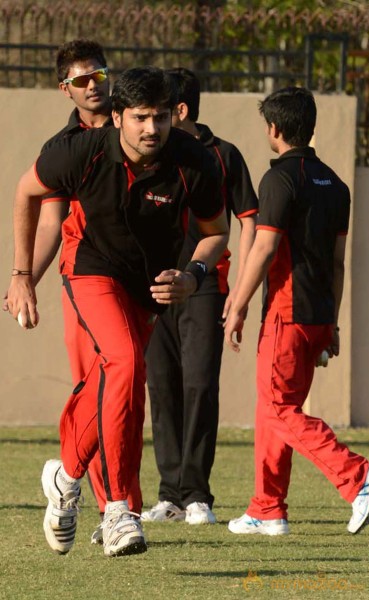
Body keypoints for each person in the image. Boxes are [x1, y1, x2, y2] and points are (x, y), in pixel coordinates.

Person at [7, 66, 229, 558]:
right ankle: (119, 511)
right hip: (90, 268)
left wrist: (192, 274)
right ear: (117, 117)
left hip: (148, 284)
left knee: (113, 375)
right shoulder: (80, 151)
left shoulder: (195, 162)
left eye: (163, 117)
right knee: (127, 363)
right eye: (142, 118)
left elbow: (216, 232)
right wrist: (22, 276)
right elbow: (26, 191)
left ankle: (64, 477)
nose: (153, 128)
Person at [224, 86, 369, 536]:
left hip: (286, 314)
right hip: (317, 316)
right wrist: (332, 323)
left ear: (274, 129)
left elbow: (264, 246)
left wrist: (237, 304)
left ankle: (358, 478)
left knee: (279, 407)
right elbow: (338, 263)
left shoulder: (279, 179)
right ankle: (267, 508)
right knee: (275, 410)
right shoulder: (335, 184)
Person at [143, 67, 258, 525]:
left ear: (181, 110)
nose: (151, 125)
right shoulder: (151, 157)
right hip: (153, 285)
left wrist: (241, 291)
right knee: (162, 386)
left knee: (200, 386)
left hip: (207, 285)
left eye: (161, 111)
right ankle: (169, 494)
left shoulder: (222, 155)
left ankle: (197, 496)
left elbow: (248, 219)